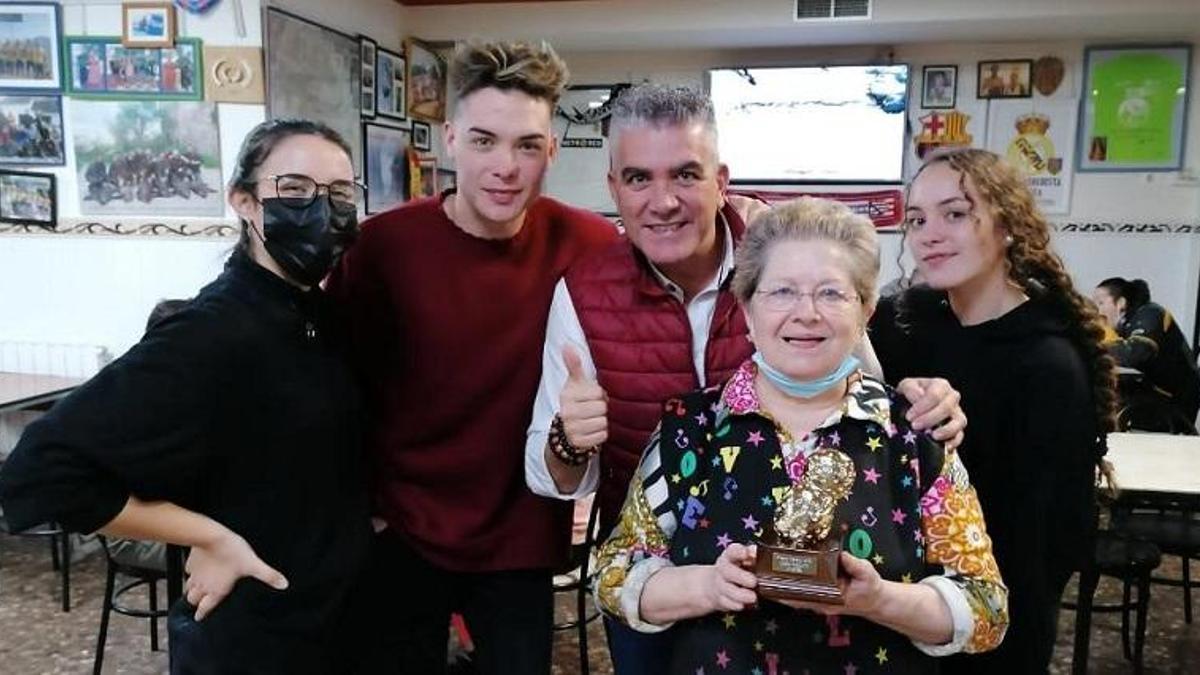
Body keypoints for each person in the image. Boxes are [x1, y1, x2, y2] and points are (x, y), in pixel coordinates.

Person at [525, 83, 969, 675]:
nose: (663, 201)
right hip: (658, 579)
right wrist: (568, 440)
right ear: (614, 188)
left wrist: (920, 402)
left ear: (721, 179)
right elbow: (551, 475)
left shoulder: (785, 261)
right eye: (638, 179)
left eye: (685, 174)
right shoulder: (582, 293)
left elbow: (864, 404)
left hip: (831, 590)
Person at [0, 118, 371, 674]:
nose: (322, 209)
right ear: (245, 202)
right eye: (294, 189)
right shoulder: (211, 331)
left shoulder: (315, 316)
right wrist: (211, 537)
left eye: (340, 194)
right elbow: (39, 471)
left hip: (329, 621)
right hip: (256, 640)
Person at [592, 196, 1009, 674]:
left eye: (832, 293)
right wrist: (708, 587)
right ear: (746, 309)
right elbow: (613, 576)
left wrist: (877, 600)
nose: (806, 313)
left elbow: (986, 610)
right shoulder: (690, 430)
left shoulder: (915, 434)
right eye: (782, 292)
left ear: (865, 311)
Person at [327, 39, 618, 674]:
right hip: (400, 531)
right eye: (485, 141)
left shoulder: (591, 244)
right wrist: (362, 514)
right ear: (452, 139)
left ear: (552, 150)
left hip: (521, 538)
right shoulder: (382, 248)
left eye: (527, 145)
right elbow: (330, 389)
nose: (505, 166)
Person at [871, 148, 1117, 674]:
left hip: (990, 624)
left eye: (955, 214)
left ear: (1006, 226)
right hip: (889, 607)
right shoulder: (902, 323)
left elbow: (1046, 545)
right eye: (916, 219)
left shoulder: (1047, 363)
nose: (928, 233)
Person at [1094, 277, 1200, 425]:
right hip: (1154, 392)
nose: (1098, 310)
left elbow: (1136, 353)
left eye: (1100, 303)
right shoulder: (1126, 324)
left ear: (1121, 303)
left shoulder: (1150, 313)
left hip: (1175, 400)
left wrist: (1102, 341)